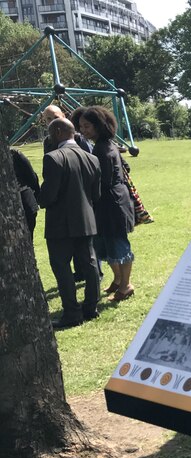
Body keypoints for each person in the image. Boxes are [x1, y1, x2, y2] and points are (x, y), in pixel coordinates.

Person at [39, 118, 102, 328]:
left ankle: (72, 313)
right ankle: (91, 307)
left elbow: (49, 196)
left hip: (60, 223)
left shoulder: (53, 158)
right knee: (89, 264)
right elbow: (96, 194)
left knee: (62, 266)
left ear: (57, 132)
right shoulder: (92, 158)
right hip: (86, 219)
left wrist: (37, 196)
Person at [79, 106, 136, 302]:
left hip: (112, 203)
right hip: (110, 201)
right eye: (81, 127)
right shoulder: (105, 145)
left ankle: (126, 285)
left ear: (98, 126)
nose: (83, 131)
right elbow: (125, 167)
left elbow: (102, 180)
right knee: (105, 242)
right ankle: (118, 280)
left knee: (118, 244)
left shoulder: (102, 149)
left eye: (87, 126)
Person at [10, 148, 40, 238]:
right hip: (26, 201)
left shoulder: (15, 155)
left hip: (25, 202)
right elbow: (32, 178)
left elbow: (33, 179)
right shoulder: (15, 155)